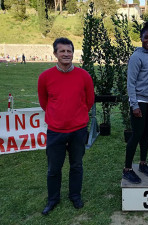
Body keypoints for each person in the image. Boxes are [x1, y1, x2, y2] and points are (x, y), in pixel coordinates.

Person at [38, 37, 95, 215]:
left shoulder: (84, 76)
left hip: (78, 130)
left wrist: (77, 116)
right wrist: (58, 116)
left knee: (76, 165)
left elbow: (89, 100)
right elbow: (44, 102)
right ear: (55, 53)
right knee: (54, 168)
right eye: (62, 51)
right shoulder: (45, 77)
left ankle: (75, 196)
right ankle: (53, 199)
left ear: (73, 53)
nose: (66, 54)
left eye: (69, 51)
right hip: (56, 131)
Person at [122, 22, 148, 184]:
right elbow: (131, 83)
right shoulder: (136, 57)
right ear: (141, 38)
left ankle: (143, 164)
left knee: (146, 134)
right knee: (136, 135)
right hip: (140, 102)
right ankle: (127, 169)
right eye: (146, 37)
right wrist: (134, 105)